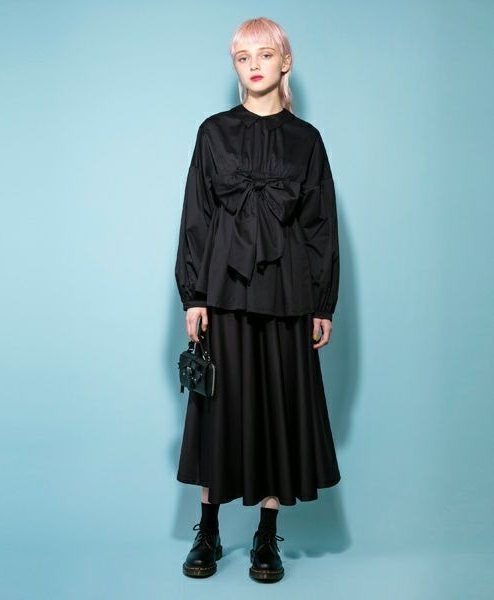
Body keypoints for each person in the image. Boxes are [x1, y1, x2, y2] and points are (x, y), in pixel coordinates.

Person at [174, 16, 341, 583]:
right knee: (216, 409)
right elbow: (196, 216)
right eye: (243, 57)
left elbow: (320, 226)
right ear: (235, 66)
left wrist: (323, 303)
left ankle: (266, 538)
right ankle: (209, 531)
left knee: (277, 409)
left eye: (265, 55)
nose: (254, 66)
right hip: (223, 291)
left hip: (288, 293)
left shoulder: (307, 140)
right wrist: (194, 294)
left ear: (284, 62)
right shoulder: (213, 133)